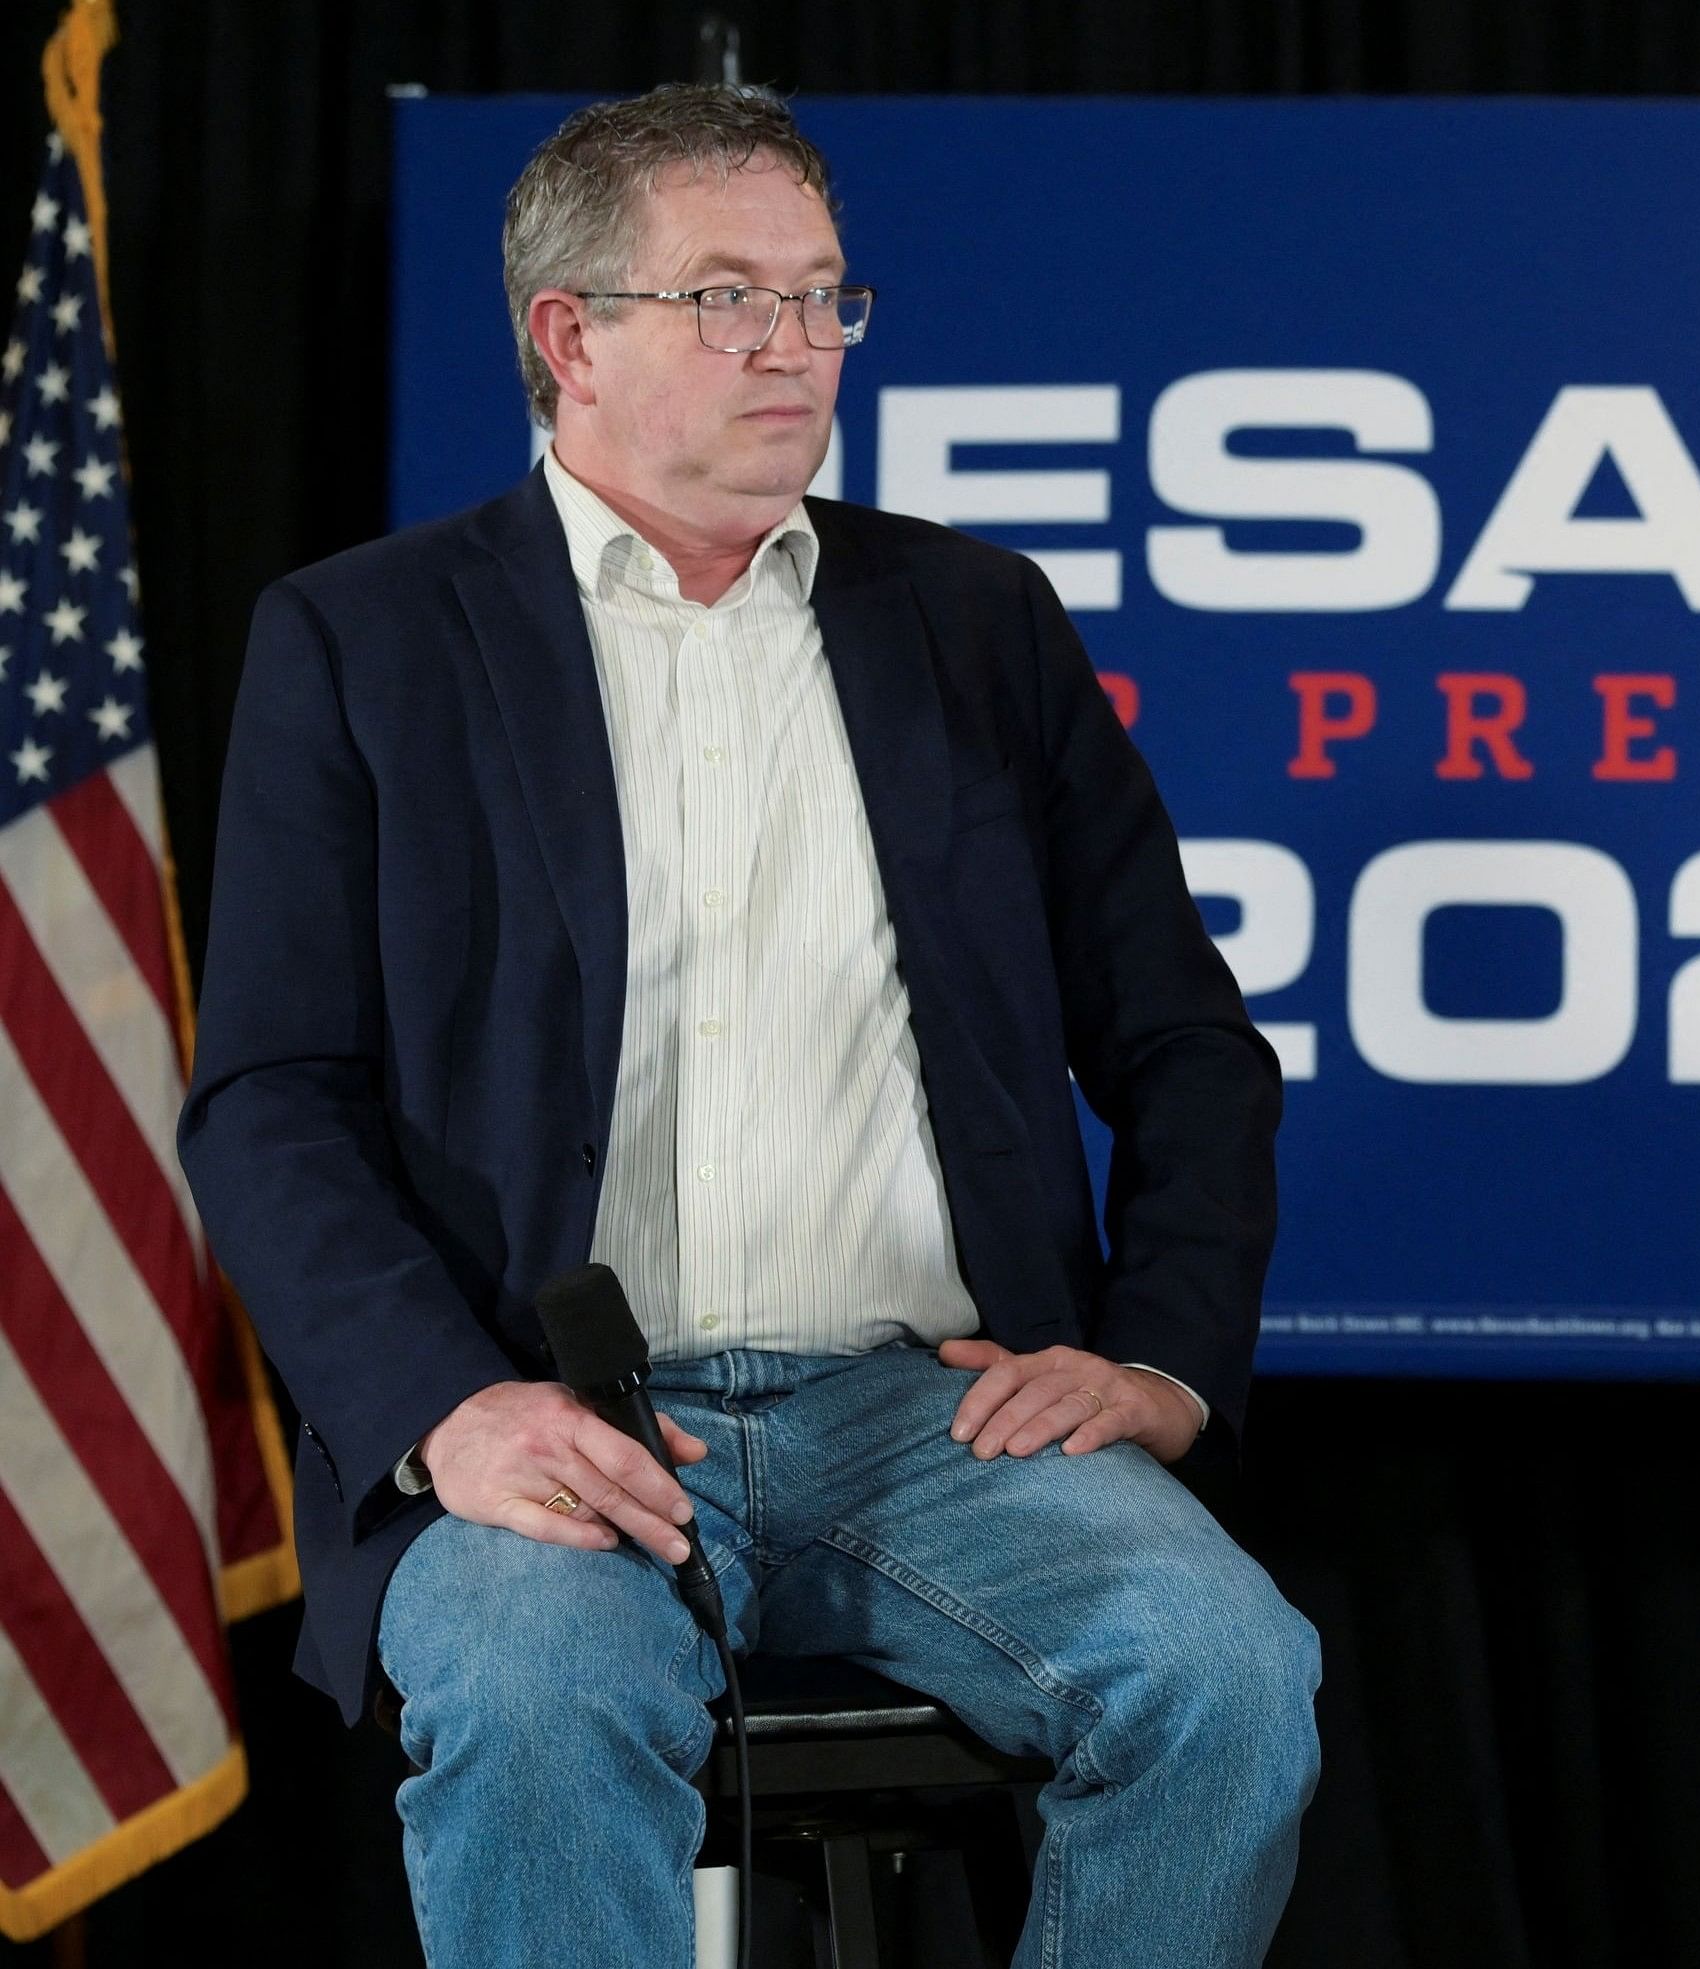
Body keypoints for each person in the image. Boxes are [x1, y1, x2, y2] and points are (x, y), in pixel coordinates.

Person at [178, 84, 1315, 1967]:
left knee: (1230, 1680)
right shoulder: (365, 639)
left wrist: (1162, 1362)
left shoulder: (975, 619)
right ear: (570, 336)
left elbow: (1190, 1043)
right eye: (729, 298)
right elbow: (271, 1101)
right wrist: (446, 1413)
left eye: (824, 299)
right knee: (537, 1709)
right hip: (563, 1421)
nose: (795, 348)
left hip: (929, 1411)